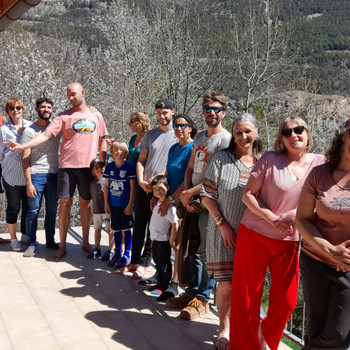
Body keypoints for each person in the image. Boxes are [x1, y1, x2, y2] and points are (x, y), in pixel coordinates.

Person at [230, 117, 325, 350]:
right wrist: (272, 218)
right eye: (287, 132)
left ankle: (265, 338)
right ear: (281, 138)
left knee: (287, 301)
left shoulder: (322, 164)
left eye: (299, 130)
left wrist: (294, 215)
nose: (294, 135)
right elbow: (248, 195)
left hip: (289, 241)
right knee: (247, 299)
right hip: (254, 234)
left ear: (307, 133)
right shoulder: (270, 159)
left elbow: (325, 199)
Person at [7, 82, 108, 260]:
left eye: (73, 94)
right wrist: (22, 145)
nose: (70, 98)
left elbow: (103, 139)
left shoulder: (96, 115)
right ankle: (61, 246)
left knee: (85, 205)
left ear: (82, 93)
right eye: (68, 95)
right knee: (64, 206)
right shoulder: (63, 117)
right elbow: (45, 135)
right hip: (66, 167)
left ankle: (85, 242)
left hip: (88, 167)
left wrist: (104, 162)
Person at [167, 91, 231, 321]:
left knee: (208, 253)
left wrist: (190, 193)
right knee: (192, 249)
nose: (211, 113)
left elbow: (217, 176)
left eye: (216, 109)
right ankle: (192, 292)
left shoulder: (226, 140)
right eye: (207, 109)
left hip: (210, 203)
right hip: (193, 201)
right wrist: (187, 194)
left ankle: (203, 299)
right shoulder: (201, 136)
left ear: (223, 112)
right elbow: (191, 167)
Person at [201, 113, 262, 350]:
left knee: (250, 285)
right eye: (238, 132)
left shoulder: (262, 162)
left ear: (255, 133)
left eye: (247, 131)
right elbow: (207, 194)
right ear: (233, 134)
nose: (243, 136)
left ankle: (248, 328)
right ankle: (223, 329)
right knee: (226, 283)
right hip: (223, 232)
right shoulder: (221, 159)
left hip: (255, 235)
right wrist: (223, 225)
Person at [296, 118, 350, 350]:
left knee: (340, 335)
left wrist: (343, 255)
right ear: (344, 136)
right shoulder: (320, 174)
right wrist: (330, 250)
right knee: (315, 325)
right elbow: (301, 219)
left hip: (348, 266)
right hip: (315, 260)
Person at [126, 99, 178, 279]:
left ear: (172, 112)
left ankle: (144, 263)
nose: (162, 116)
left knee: (154, 227)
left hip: (162, 189)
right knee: (139, 224)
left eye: (165, 112)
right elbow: (141, 160)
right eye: (158, 113)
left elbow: (175, 164)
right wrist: (140, 179)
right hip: (144, 185)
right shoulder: (150, 135)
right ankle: (133, 261)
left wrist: (159, 181)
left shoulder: (178, 134)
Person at [153, 113, 197, 300]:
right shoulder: (173, 148)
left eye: (183, 125)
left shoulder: (192, 149)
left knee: (178, 243)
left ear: (190, 128)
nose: (179, 129)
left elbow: (188, 177)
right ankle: (163, 277)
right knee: (165, 239)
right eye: (176, 126)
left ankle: (175, 284)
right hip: (169, 199)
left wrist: (170, 199)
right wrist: (157, 192)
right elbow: (169, 172)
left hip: (182, 201)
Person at [21, 97, 60, 257]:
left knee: (51, 211)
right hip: (36, 175)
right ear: (36, 109)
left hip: (54, 176)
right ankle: (31, 244)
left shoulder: (55, 129)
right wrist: (29, 182)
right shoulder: (29, 131)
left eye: (49, 107)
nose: (46, 110)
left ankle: (50, 241)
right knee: (33, 211)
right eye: (43, 107)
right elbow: (25, 159)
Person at [0, 98, 32, 251]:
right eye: (11, 108)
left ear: (23, 109)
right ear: (8, 112)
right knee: (13, 207)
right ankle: (13, 239)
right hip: (11, 175)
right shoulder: (3, 130)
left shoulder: (31, 126)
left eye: (18, 107)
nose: (15, 110)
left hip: (29, 175)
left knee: (28, 207)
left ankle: (25, 235)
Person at [103, 141, 136, 269]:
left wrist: (130, 204)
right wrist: (106, 202)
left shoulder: (129, 168)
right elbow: (106, 186)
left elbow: (133, 188)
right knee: (115, 229)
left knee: (127, 229)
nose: (118, 152)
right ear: (112, 153)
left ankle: (126, 255)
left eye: (121, 150)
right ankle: (117, 253)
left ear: (125, 152)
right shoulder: (110, 167)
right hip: (114, 205)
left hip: (125, 205)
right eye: (116, 150)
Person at [148, 175, 179, 299]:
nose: (157, 192)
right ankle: (159, 283)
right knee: (158, 263)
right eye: (155, 189)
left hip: (163, 241)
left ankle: (163, 287)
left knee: (165, 265)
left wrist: (171, 240)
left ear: (167, 187)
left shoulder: (170, 208)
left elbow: (175, 224)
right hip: (154, 239)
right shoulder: (156, 203)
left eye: (160, 188)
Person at [88, 157, 114, 261]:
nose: (100, 169)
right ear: (93, 171)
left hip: (106, 210)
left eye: (102, 166)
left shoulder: (108, 181)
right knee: (97, 229)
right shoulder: (92, 183)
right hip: (96, 210)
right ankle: (97, 248)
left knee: (109, 229)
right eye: (96, 168)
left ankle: (111, 250)